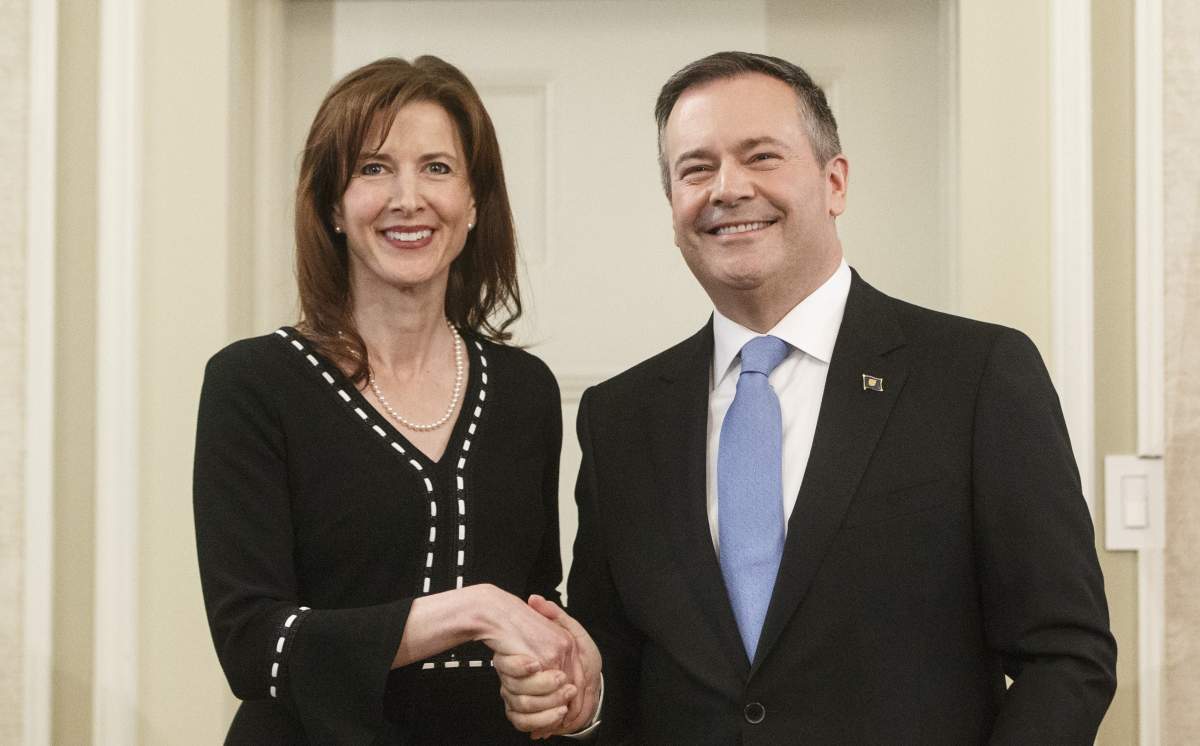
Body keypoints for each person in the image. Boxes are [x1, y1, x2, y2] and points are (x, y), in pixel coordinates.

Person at [499, 51, 1117, 743]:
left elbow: (1066, 656)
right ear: (672, 202)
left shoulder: (975, 376)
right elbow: (617, 661)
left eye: (761, 156)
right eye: (695, 168)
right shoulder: (622, 417)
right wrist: (589, 701)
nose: (726, 188)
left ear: (835, 181)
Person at [193, 56, 599, 744]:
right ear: (332, 206)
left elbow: (533, 604)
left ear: (473, 204)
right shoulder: (253, 384)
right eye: (373, 169)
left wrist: (570, 682)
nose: (407, 197)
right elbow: (255, 646)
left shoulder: (524, 392)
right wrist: (467, 611)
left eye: (437, 168)